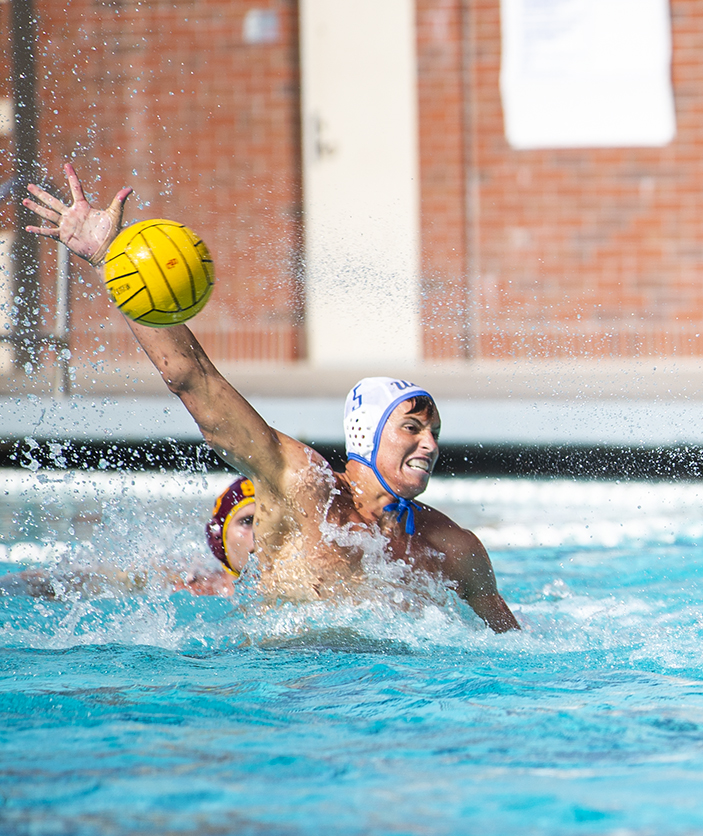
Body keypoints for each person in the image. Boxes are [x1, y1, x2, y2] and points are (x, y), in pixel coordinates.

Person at [23, 164, 519, 632]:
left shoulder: (452, 548)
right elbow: (195, 382)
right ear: (366, 436)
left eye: (433, 432)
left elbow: (513, 650)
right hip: (289, 690)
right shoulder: (304, 486)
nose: (429, 445)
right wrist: (111, 258)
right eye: (411, 428)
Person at [0, 477, 256, 599]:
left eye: (269, 523)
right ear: (217, 536)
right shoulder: (191, 582)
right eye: (247, 521)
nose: (262, 533)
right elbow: (95, 579)